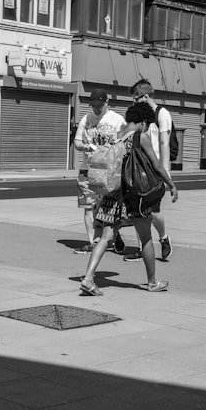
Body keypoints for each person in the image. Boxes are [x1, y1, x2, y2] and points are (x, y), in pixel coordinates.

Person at [79, 102, 178, 296]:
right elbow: (157, 166)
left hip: (112, 196)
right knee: (146, 237)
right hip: (133, 197)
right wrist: (171, 185)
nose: (148, 128)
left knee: (106, 238)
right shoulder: (141, 137)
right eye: (148, 124)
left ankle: (88, 278)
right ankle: (152, 282)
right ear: (142, 122)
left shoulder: (117, 136)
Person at [123, 79, 178, 262]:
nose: (134, 103)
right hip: (140, 166)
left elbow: (164, 144)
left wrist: (165, 173)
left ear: (145, 96)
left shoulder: (162, 114)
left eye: (136, 99)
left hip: (155, 169)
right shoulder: (140, 115)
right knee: (139, 210)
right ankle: (142, 247)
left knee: (153, 212)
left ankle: (162, 238)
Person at [73, 89, 126, 255]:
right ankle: (92, 242)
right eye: (93, 106)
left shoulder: (116, 120)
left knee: (106, 206)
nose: (96, 109)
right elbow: (77, 141)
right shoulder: (86, 119)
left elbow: (124, 142)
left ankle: (110, 235)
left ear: (107, 103)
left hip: (107, 170)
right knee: (88, 206)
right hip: (88, 168)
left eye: (100, 105)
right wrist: (85, 146)